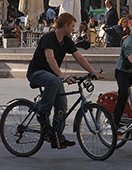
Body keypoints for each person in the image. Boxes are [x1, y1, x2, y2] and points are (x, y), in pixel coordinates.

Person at [26, 13, 100, 149]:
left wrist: (92, 71)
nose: (73, 29)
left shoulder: (66, 40)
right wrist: (62, 76)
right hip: (36, 72)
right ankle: (42, 113)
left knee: (62, 105)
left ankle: (57, 138)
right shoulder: (48, 38)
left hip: (53, 76)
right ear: (65, 25)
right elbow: (50, 59)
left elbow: (79, 57)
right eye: (72, 26)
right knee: (55, 81)